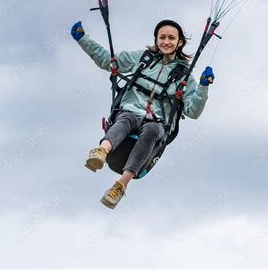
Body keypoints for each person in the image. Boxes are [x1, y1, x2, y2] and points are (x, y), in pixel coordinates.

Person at [71, 19, 215, 209]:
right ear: (156, 40)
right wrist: (83, 39)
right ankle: (100, 152)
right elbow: (108, 61)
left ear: (180, 42)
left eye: (171, 38)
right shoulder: (143, 59)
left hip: (158, 122)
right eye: (162, 37)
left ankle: (120, 186)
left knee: (152, 129)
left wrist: (203, 87)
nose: (166, 42)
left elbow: (193, 111)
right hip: (131, 111)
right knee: (125, 119)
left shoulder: (184, 76)